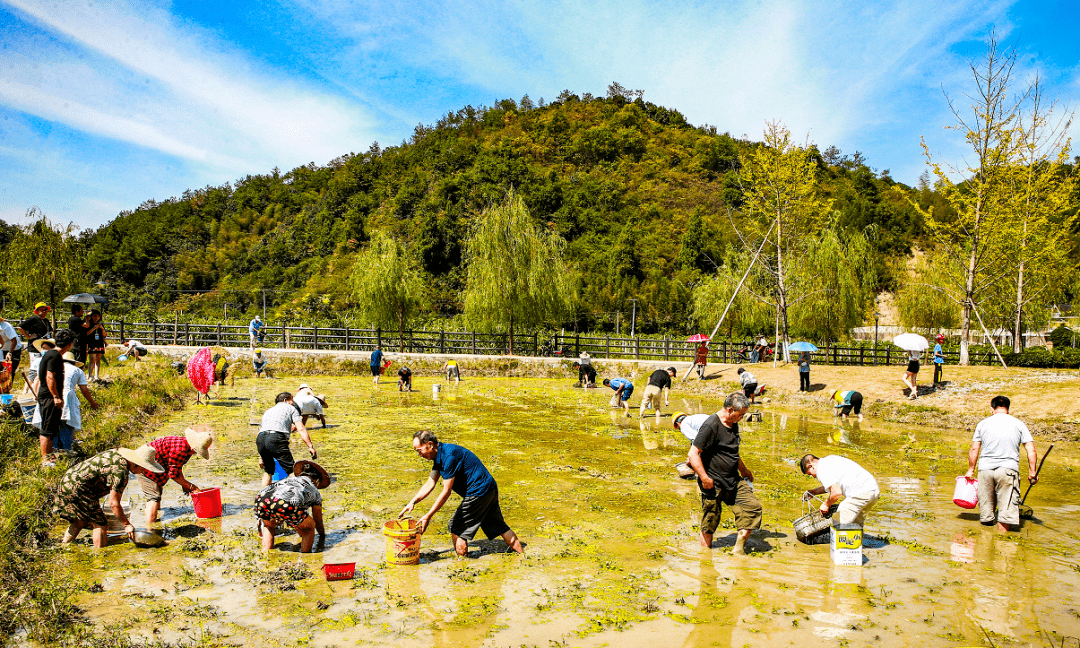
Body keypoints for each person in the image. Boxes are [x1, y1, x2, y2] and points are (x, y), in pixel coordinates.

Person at [400, 430, 523, 556]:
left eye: (419, 450)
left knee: (457, 529)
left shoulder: (448, 457)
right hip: (489, 488)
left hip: (478, 491)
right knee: (499, 526)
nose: (419, 455)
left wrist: (428, 516)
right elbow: (430, 483)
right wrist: (412, 502)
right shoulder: (440, 455)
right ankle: (523, 556)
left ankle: (462, 564)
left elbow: (446, 492)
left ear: (430, 444)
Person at [687, 392, 762, 554]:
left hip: (733, 479)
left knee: (752, 508)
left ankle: (738, 550)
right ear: (730, 410)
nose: (741, 418)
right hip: (713, 482)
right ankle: (705, 557)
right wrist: (704, 478)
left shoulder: (733, 423)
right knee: (710, 521)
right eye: (740, 414)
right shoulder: (711, 425)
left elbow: (732, 451)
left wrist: (743, 469)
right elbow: (693, 454)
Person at [55, 445, 164, 548]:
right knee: (100, 523)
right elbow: (114, 503)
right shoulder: (121, 472)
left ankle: (64, 545)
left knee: (80, 520)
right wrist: (126, 525)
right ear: (137, 464)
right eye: (144, 468)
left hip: (67, 481)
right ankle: (100, 554)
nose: (144, 471)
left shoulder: (117, 454)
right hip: (80, 489)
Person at [966, 395, 1038, 531]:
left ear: (992, 409)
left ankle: (985, 539)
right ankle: (1002, 540)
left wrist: (971, 470)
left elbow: (975, 448)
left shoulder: (982, 424)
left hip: (985, 470)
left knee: (986, 514)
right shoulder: (1019, 424)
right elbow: (1031, 449)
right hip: (1008, 471)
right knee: (1006, 514)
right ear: (1008, 409)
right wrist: (1032, 472)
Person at [139, 427, 214, 528]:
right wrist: (192, 487)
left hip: (157, 465)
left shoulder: (185, 445)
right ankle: (150, 530)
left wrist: (184, 485)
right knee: (153, 497)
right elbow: (174, 475)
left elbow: (177, 468)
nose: (196, 453)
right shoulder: (180, 450)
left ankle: (157, 521)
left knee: (158, 492)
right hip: (144, 464)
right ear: (194, 448)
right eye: (197, 451)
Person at [255, 460, 329, 553]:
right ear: (317, 481)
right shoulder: (315, 491)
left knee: (269, 526)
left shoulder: (289, 479)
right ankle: (306, 556)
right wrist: (322, 537)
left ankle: (267, 554)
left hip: (261, 498)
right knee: (309, 527)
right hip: (285, 503)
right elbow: (318, 521)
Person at [799, 454, 880, 527]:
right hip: (873, 490)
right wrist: (813, 492)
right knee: (855, 525)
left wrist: (826, 504)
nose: (813, 476)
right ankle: (854, 539)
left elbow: (836, 492)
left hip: (859, 492)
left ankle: (841, 539)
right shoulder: (830, 460)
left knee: (838, 523)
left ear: (810, 466)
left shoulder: (820, 468)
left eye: (810, 474)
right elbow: (833, 486)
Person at [256, 392, 318, 487]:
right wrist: (310, 446)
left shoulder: (268, 411)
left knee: (268, 471)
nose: (293, 404)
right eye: (292, 401)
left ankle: (263, 494)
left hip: (261, 439)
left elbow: (263, 432)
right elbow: (301, 428)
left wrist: (261, 457)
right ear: (286, 400)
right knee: (291, 470)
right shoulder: (291, 409)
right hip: (276, 438)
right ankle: (294, 493)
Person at [37, 331, 75, 467]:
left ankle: (50, 455)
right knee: (47, 429)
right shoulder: (54, 356)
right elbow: (49, 376)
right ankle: (45, 459)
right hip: (49, 396)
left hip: (49, 396)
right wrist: (55, 396)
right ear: (70, 344)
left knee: (52, 428)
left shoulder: (51, 354)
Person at [58, 351, 97, 451]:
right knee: (67, 422)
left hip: (55, 395)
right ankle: (67, 448)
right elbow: (84, 390)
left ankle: (56, 448)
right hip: (69, 397)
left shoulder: (55, 368)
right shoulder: (77, 370)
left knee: (56, 423)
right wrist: (92, 403)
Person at [672, 411, 713, 478]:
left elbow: (697, 440)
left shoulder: (683, 425)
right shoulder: (693, 418)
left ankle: (706, 476)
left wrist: (691, 457)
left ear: (678, 424)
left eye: (678, 428)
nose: (679, 429)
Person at [0, 310, 25, 378]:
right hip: (2, 349)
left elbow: (14, 341)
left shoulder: (6, 327)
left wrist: (10, 353)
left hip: (13, 349)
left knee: (9, 372)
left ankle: (9, 383)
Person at [84, 309, 106, 381]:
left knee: (98, 360)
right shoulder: (89, 324)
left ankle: (97, 376)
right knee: (92, 359)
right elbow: (87, 333)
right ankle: (90, 375)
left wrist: (102, 328)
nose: (96, 318)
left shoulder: (100, 324)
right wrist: (94, 328)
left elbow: (104, 335)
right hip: (92, 343)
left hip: (99, 343)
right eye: (94, 316)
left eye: (97, 316)